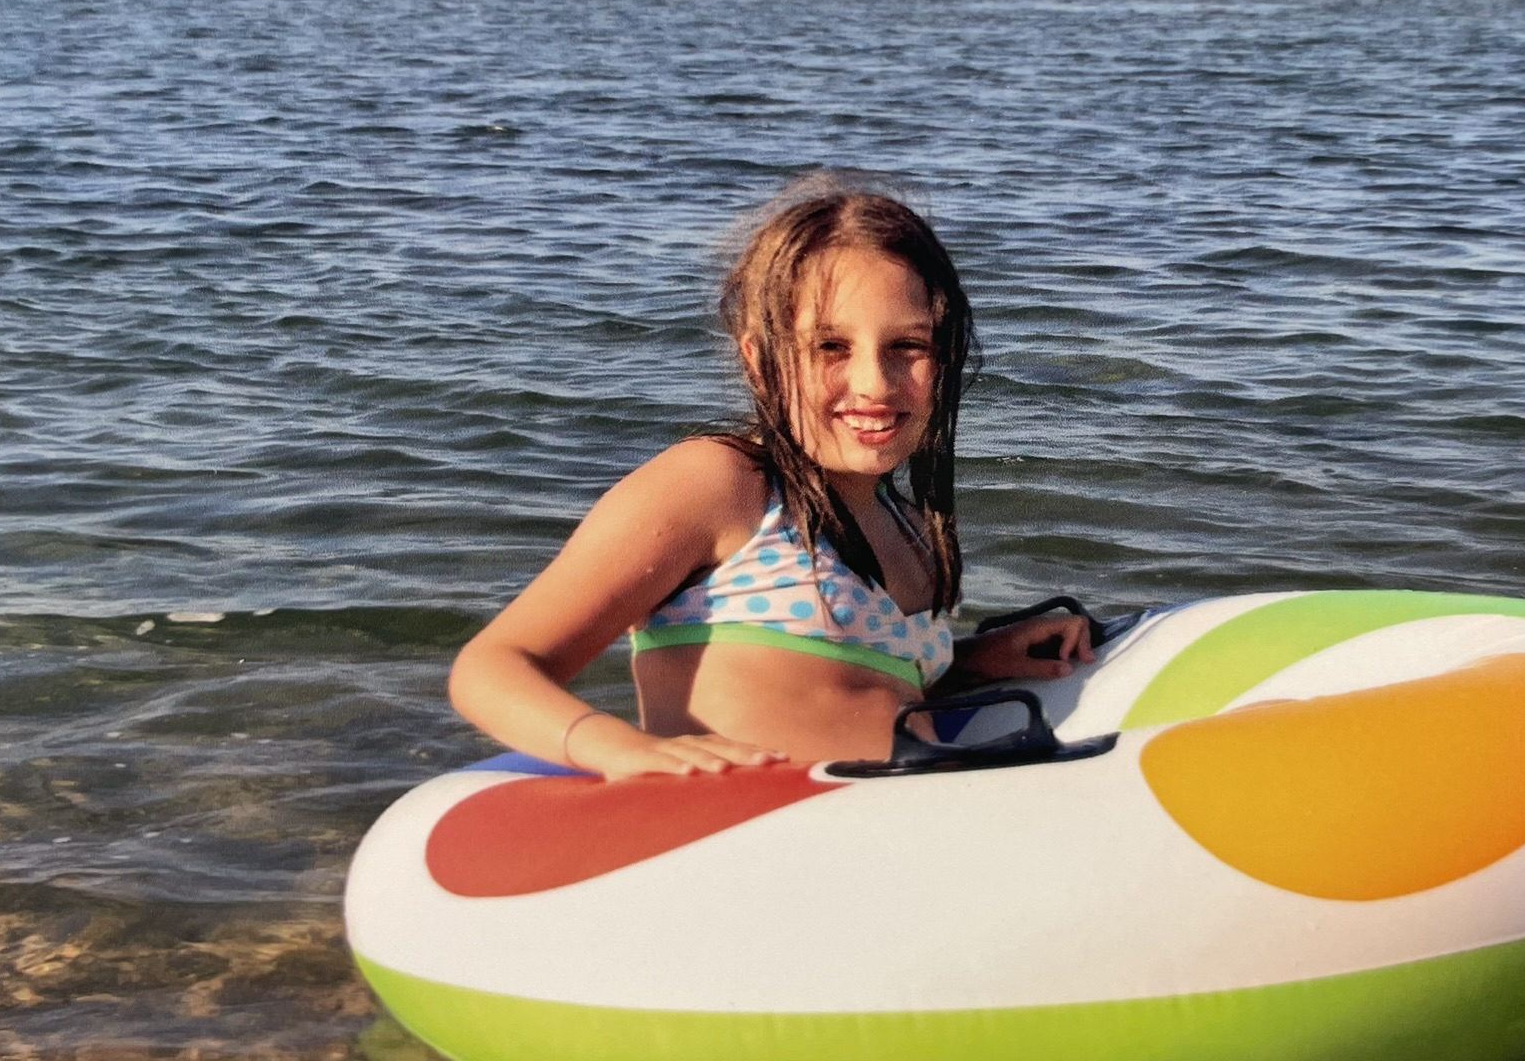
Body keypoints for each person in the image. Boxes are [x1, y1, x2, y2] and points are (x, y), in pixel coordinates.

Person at [449, 178, 1094, 779]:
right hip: (750, 848)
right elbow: (493, 667)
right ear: (760, 360)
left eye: (909, 347)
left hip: (877, 840)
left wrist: (969, 661)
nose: (875, 383)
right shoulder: (721, 485)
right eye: (830, 347)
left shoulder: (902, 524)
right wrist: (618, 747)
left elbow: (847, 689)